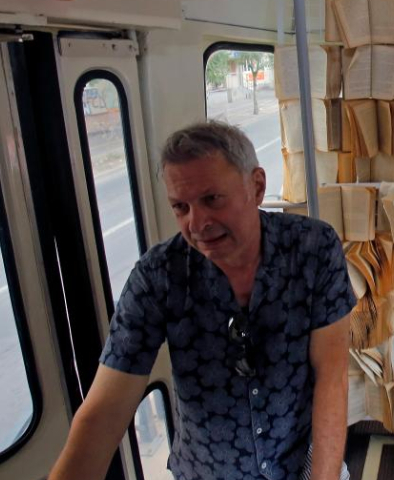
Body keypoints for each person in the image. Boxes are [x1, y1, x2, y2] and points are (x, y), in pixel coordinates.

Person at [49, 121, 356, 480]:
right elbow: (103, 415)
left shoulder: (313, 248)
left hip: (302, 464)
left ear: (257, 187)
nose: (197, 223)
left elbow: (331, 377)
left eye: (212, 199)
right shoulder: (158, 276)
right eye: (181, 207)